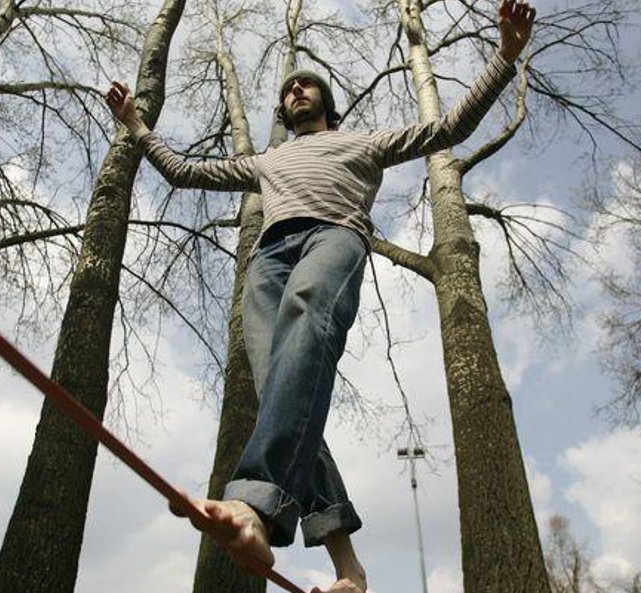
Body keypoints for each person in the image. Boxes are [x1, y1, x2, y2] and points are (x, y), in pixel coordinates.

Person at [106, 2, 535, 591]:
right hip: (268, 258)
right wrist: (136, 125)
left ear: (325, 102)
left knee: (308, 323)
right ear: (282, 109)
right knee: (283, 388)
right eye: (288, 90)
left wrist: (505, 57)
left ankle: (253, 504)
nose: (296, 92)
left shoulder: (364, 143)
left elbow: (449, 128)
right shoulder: (269, 158)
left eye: (306, 85)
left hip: (333, 239)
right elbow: (183, 171)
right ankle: (348, 566)